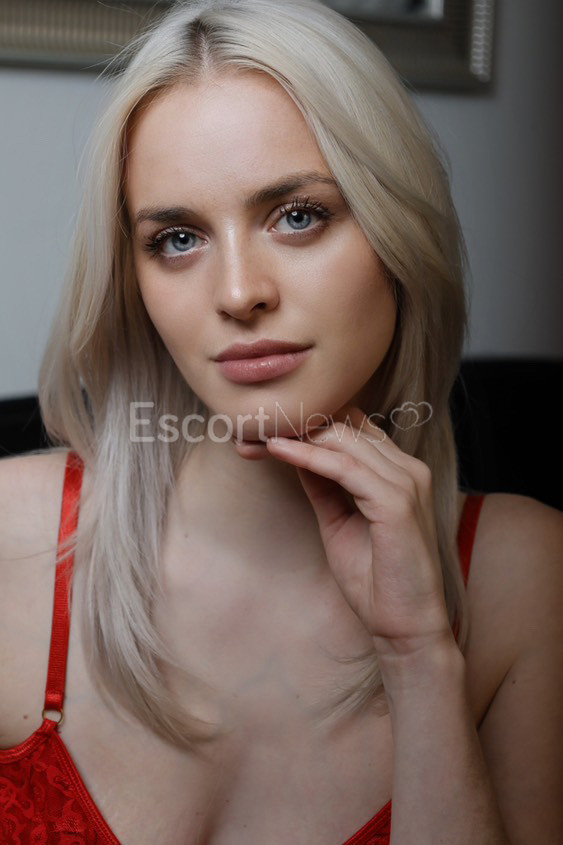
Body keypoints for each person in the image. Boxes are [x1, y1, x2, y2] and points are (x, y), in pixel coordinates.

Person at [0, 0, 561, 842]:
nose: (237, 292)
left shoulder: (526, 579)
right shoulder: (10, 542)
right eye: (177, 238)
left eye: (298, 215)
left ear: (400, 232)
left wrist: (419, 657)